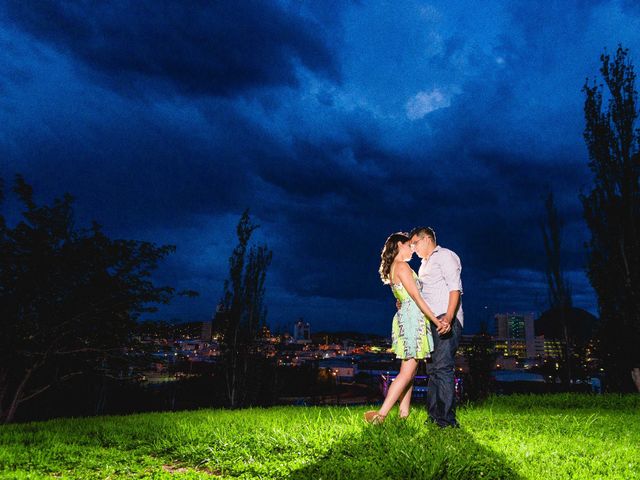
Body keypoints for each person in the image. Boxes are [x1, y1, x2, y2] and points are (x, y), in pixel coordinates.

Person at [364, 233, 447, 424]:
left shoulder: (395, 267)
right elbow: (417, 299)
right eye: (410, 245)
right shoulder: (402, 266)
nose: (413, 249)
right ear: (400, 245)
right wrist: (436, 320)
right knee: (407, 372)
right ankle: (381, 416)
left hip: (408, 318)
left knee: (409, 370)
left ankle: (403, 414)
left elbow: (404, 298)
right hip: (412, 320)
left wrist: (402, 303)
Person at [409, 227, 463, 428]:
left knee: (443, 368)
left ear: (427, 239)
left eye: (414, 243)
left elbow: (454, 288)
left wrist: (448, 317)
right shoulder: (424, 265)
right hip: (431, 321)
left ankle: (447, 421)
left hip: (444, 319)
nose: (412, 248)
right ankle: (434, 417)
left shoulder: (445, 256)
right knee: (433, 371)